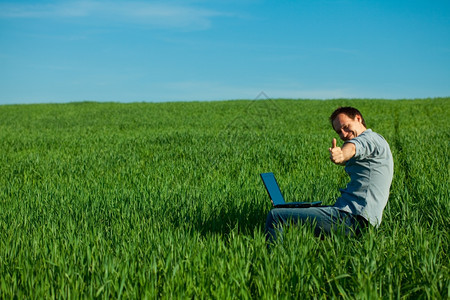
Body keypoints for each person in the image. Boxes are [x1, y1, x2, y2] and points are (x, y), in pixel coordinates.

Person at [265, 107, 394, 244]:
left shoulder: (370, 139)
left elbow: (353, 148)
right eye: (339, 132)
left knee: (276, 216)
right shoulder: (374, 144)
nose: (343, 134)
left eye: (346, 127)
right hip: (353, 215)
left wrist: (341, 154)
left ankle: (272, 262)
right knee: (294, 210)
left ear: (358, 118)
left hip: (354, 219)